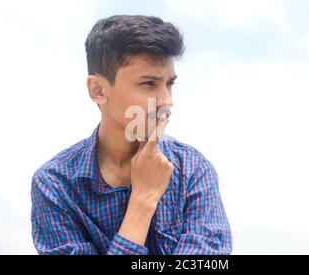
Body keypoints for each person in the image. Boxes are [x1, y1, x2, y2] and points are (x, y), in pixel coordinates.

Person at [31, 15, 232, 255]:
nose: (167, 101)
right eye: (149, 84)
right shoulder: (55, 185)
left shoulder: (194, 170)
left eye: (169, 84)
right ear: (98, 90)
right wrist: (143, 201)